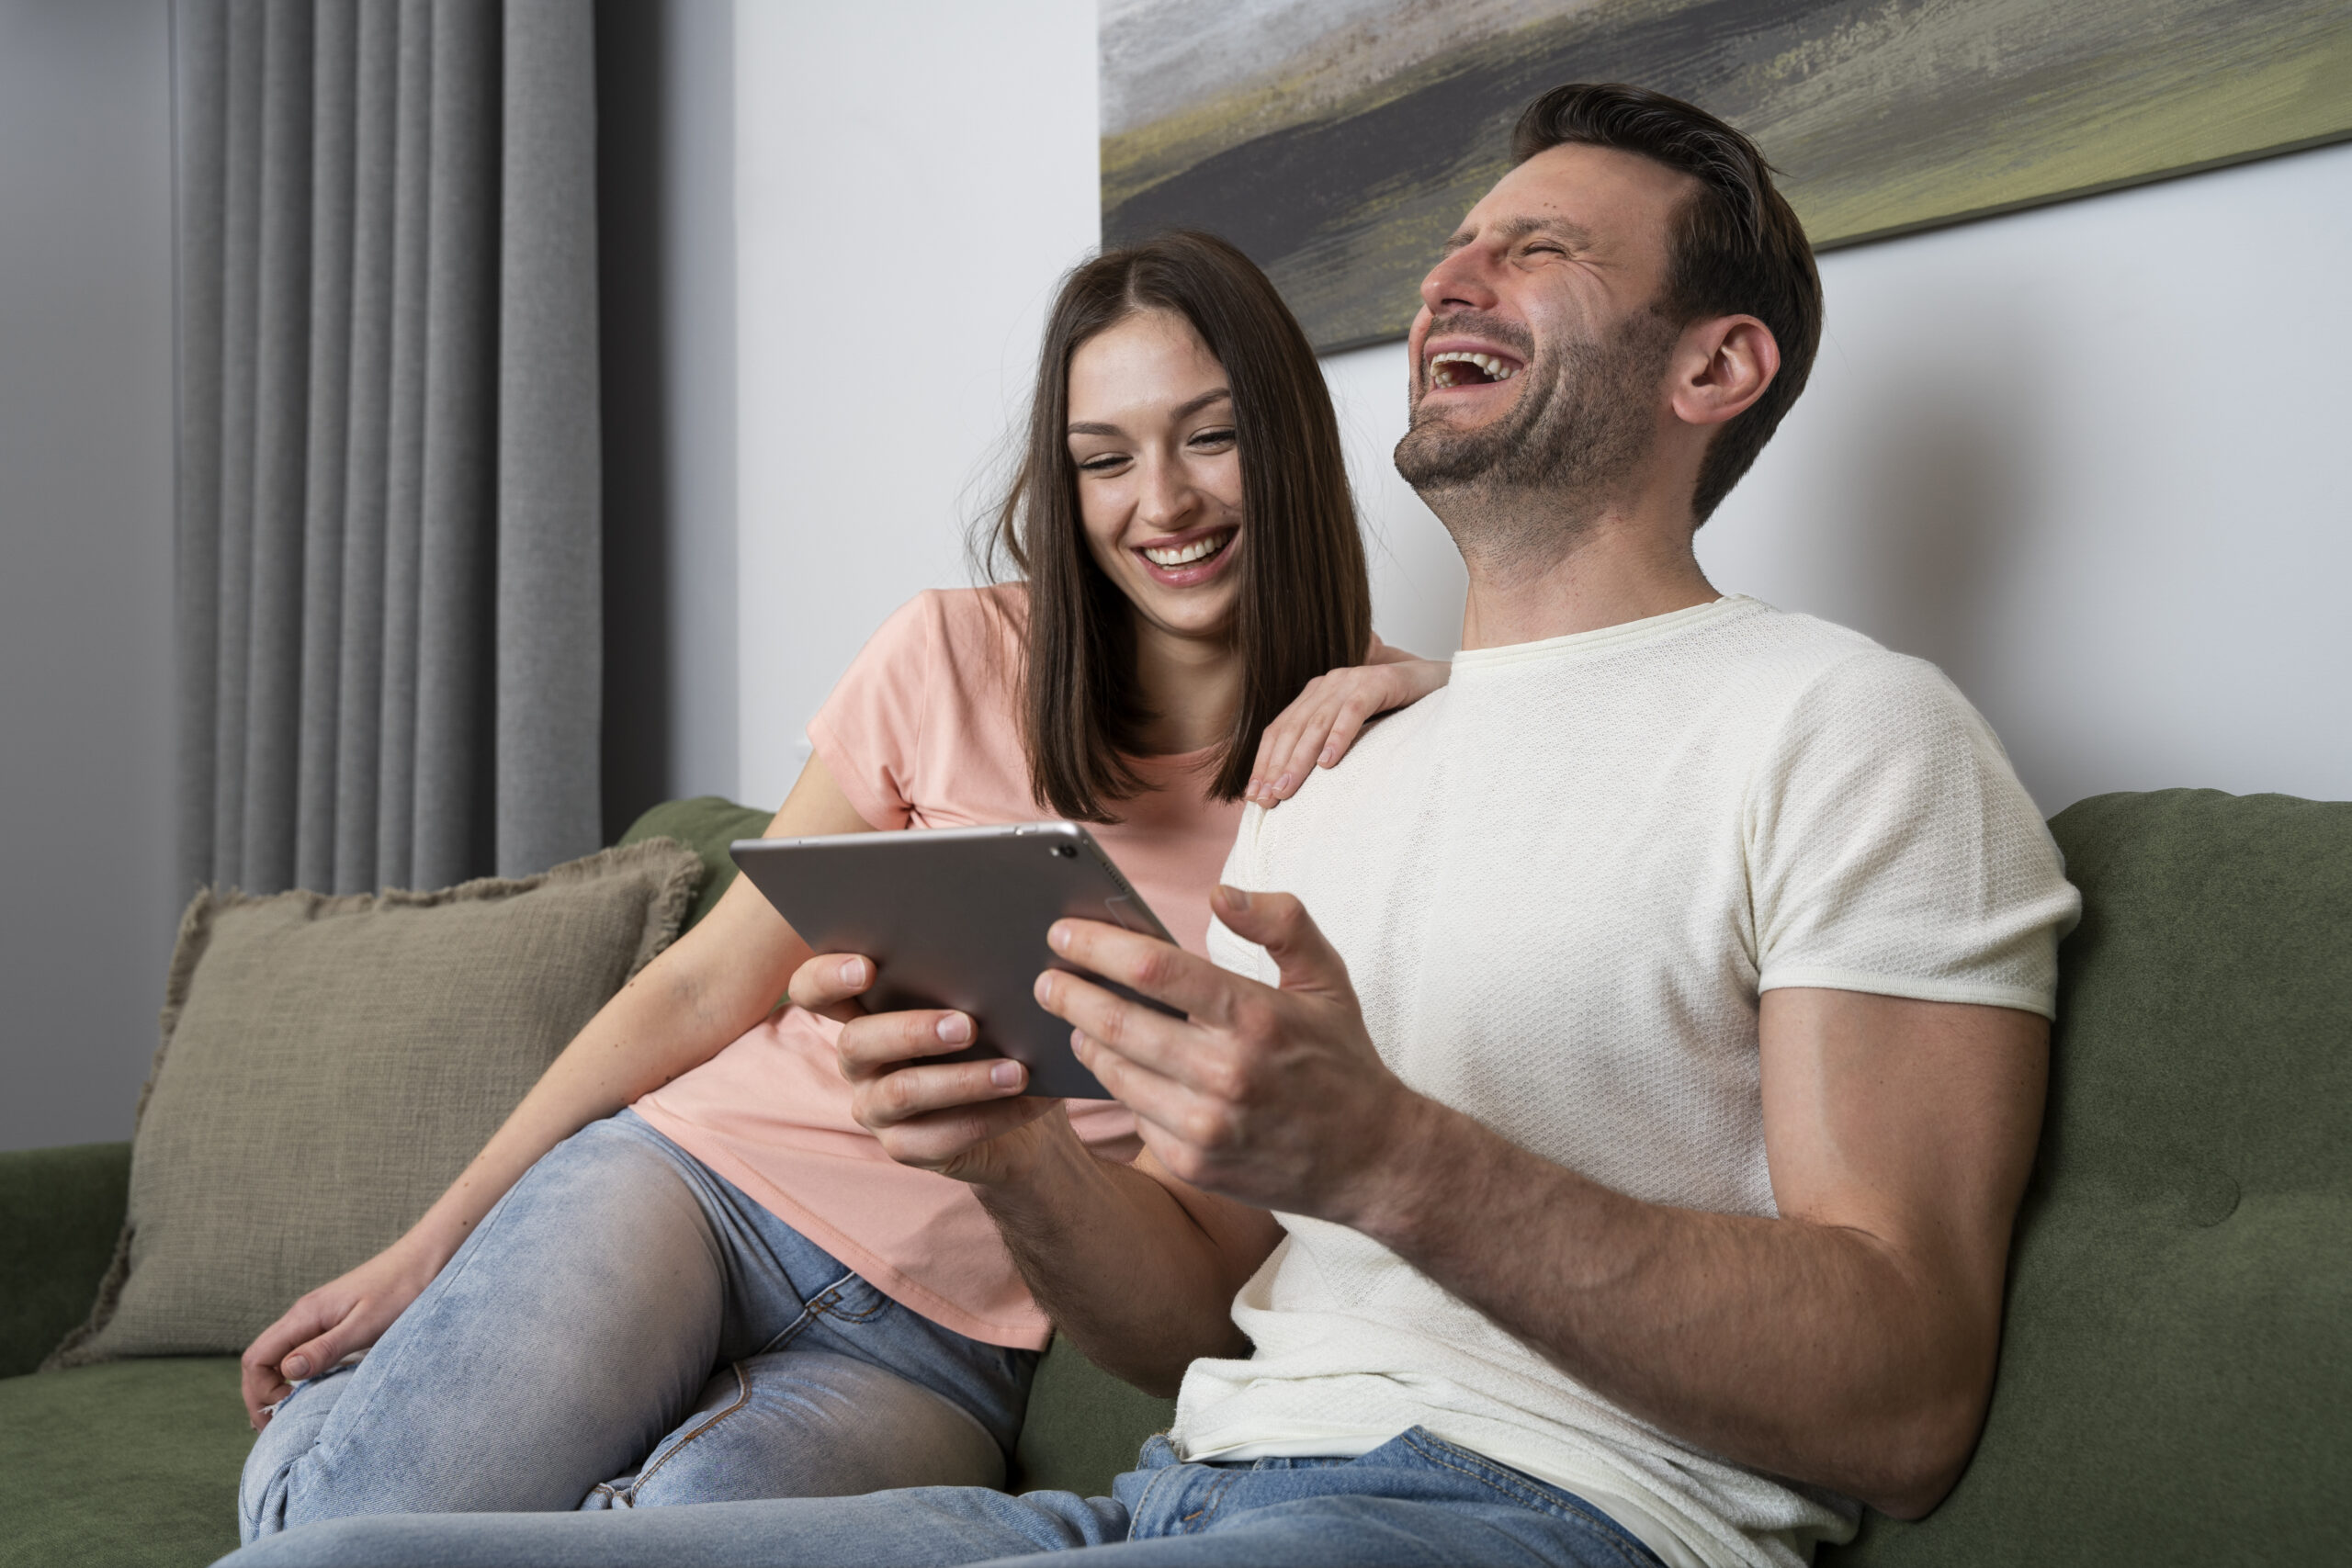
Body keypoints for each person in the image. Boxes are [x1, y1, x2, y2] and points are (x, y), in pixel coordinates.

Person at [219, 82, 2082, 1568]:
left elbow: (1905, 1399)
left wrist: (1395, 1158)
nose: (1451, 276)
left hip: (1514, 1509)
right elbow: (1193, 1313)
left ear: (1713, 369)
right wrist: (1016, 1144)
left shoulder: (1844, 726)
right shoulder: (1331, 772)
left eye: (1537, 249)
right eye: (1451, 249)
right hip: (1174, 1484)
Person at [231, 230, 1449, 1542]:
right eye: (1105, 458)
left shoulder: (1374, 767)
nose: (1162, 503)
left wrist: (1456, 695)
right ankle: (347, 1426)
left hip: (941, 1344)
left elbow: (1202, 1253)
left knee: (650, 1535)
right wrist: (429, 1250)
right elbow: (703, 979)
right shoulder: (951, 651)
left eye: (1210, 438)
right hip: (698, 1186)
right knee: (349, 1523)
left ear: (1290, 443)